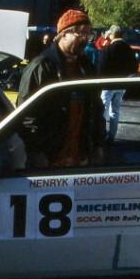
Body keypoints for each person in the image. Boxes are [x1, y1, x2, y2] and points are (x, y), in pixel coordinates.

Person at [17, 9, 105, 168]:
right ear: (64, 34)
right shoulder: (41, 67)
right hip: (50, 160)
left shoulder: (87, 67)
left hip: (81, 158)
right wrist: (36, 152)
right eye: (81, 34)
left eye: (89, 35)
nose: (86, 40)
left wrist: (98, 145)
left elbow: (96, 108)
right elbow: (25, 115)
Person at [99, 25, 138, 146]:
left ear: (112, 35)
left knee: (103, 111)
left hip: (108, 84)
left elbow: (101, 67)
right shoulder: (129, 50)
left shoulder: (108, 49)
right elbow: (134, 67)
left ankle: (101, 135)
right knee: (115, 112)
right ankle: (112, 136)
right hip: (122, 84)